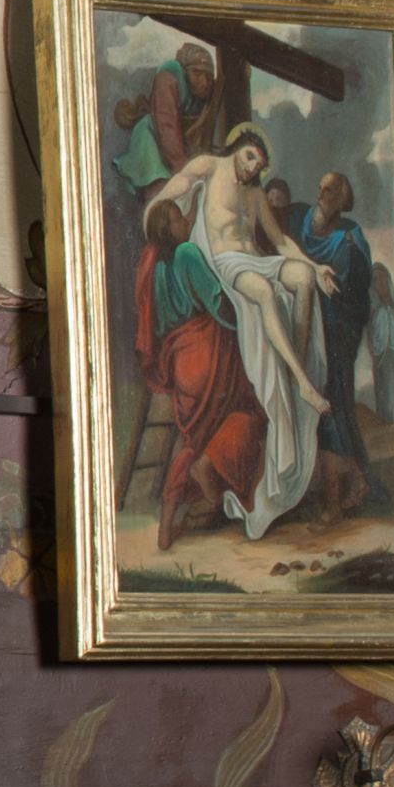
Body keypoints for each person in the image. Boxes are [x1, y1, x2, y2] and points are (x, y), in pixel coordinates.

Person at [155, 126, 334, 534]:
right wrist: (155, 209)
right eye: (251, 157)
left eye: (260, 164)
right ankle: (303, 382)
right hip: (228, 265)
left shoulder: (255, 195)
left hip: (256, 261)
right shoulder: (209, 166)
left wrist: (315, 264)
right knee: (266, 294)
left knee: (303, 281)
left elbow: (279, 240)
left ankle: (295, 363)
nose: (254, 168)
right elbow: (177, 185)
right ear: (237, 148)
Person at [132, 197, 266, 547]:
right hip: (208, 352)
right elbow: (217, 301)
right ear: (169, 227)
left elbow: (155, 322)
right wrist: (249, 322)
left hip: (180, 360)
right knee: (248, 412)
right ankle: (209, 471)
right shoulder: (188, 252)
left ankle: (167, 523)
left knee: (193, 440)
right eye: (180, 219)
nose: (187, 222)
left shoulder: (154, 264)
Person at [298, 166, 381, 502]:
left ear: (342, 197)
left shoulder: (350, 238)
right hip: (312, 328)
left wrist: (335, 293)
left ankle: (345, 491)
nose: (322, 195)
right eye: (320, 188)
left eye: (330, 190)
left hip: (338, 332)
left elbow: (356, 292)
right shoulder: (306, 227)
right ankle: (352, 483)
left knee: (335, 403)